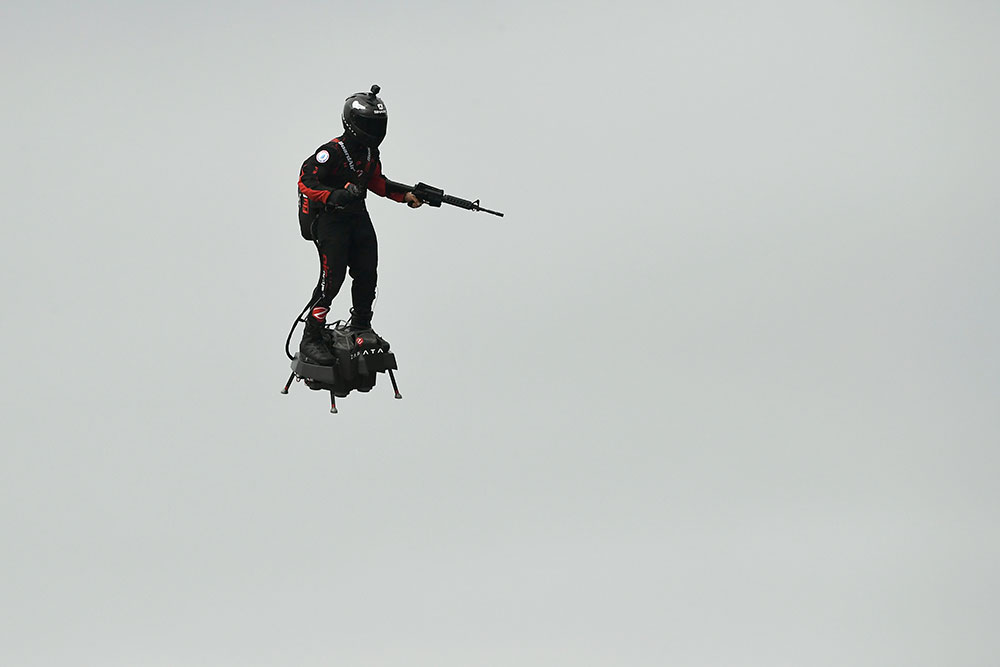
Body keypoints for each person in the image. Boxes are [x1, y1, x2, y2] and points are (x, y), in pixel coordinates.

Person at [296, 85, 422, 365]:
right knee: (333, 280)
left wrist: (406, 196)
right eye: (367, 124)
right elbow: (306, 183)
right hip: (330, 220)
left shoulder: (369, 153)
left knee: (367, 270)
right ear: (352, 124)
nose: (373, 130)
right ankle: (311, 337)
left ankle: (361, 326)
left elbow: (376, 181)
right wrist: (334, 195)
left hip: (356, 215)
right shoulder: (330, 152)